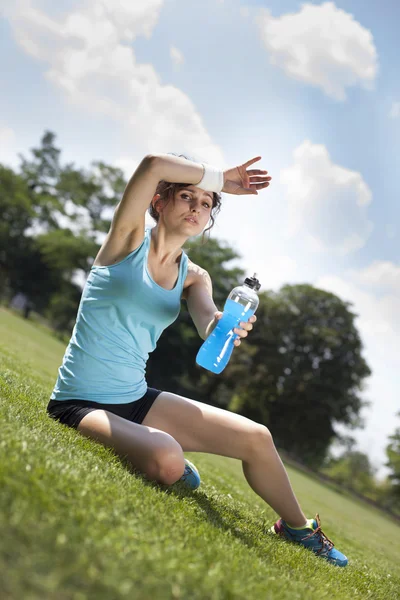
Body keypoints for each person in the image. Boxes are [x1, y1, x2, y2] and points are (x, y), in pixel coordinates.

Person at [47, 153, 348, 567]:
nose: (197, 207)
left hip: (136, 399)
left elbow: (209, 323)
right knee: (169, 461)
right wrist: (221, 180)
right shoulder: (126, 239)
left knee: (257, 437)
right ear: (158, 202)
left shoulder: (194, 275)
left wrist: (226, 327)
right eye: (186, 196)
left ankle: (298, 529)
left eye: (206, 203)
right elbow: (152, 164)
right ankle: (160, 450)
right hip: (79, 403)